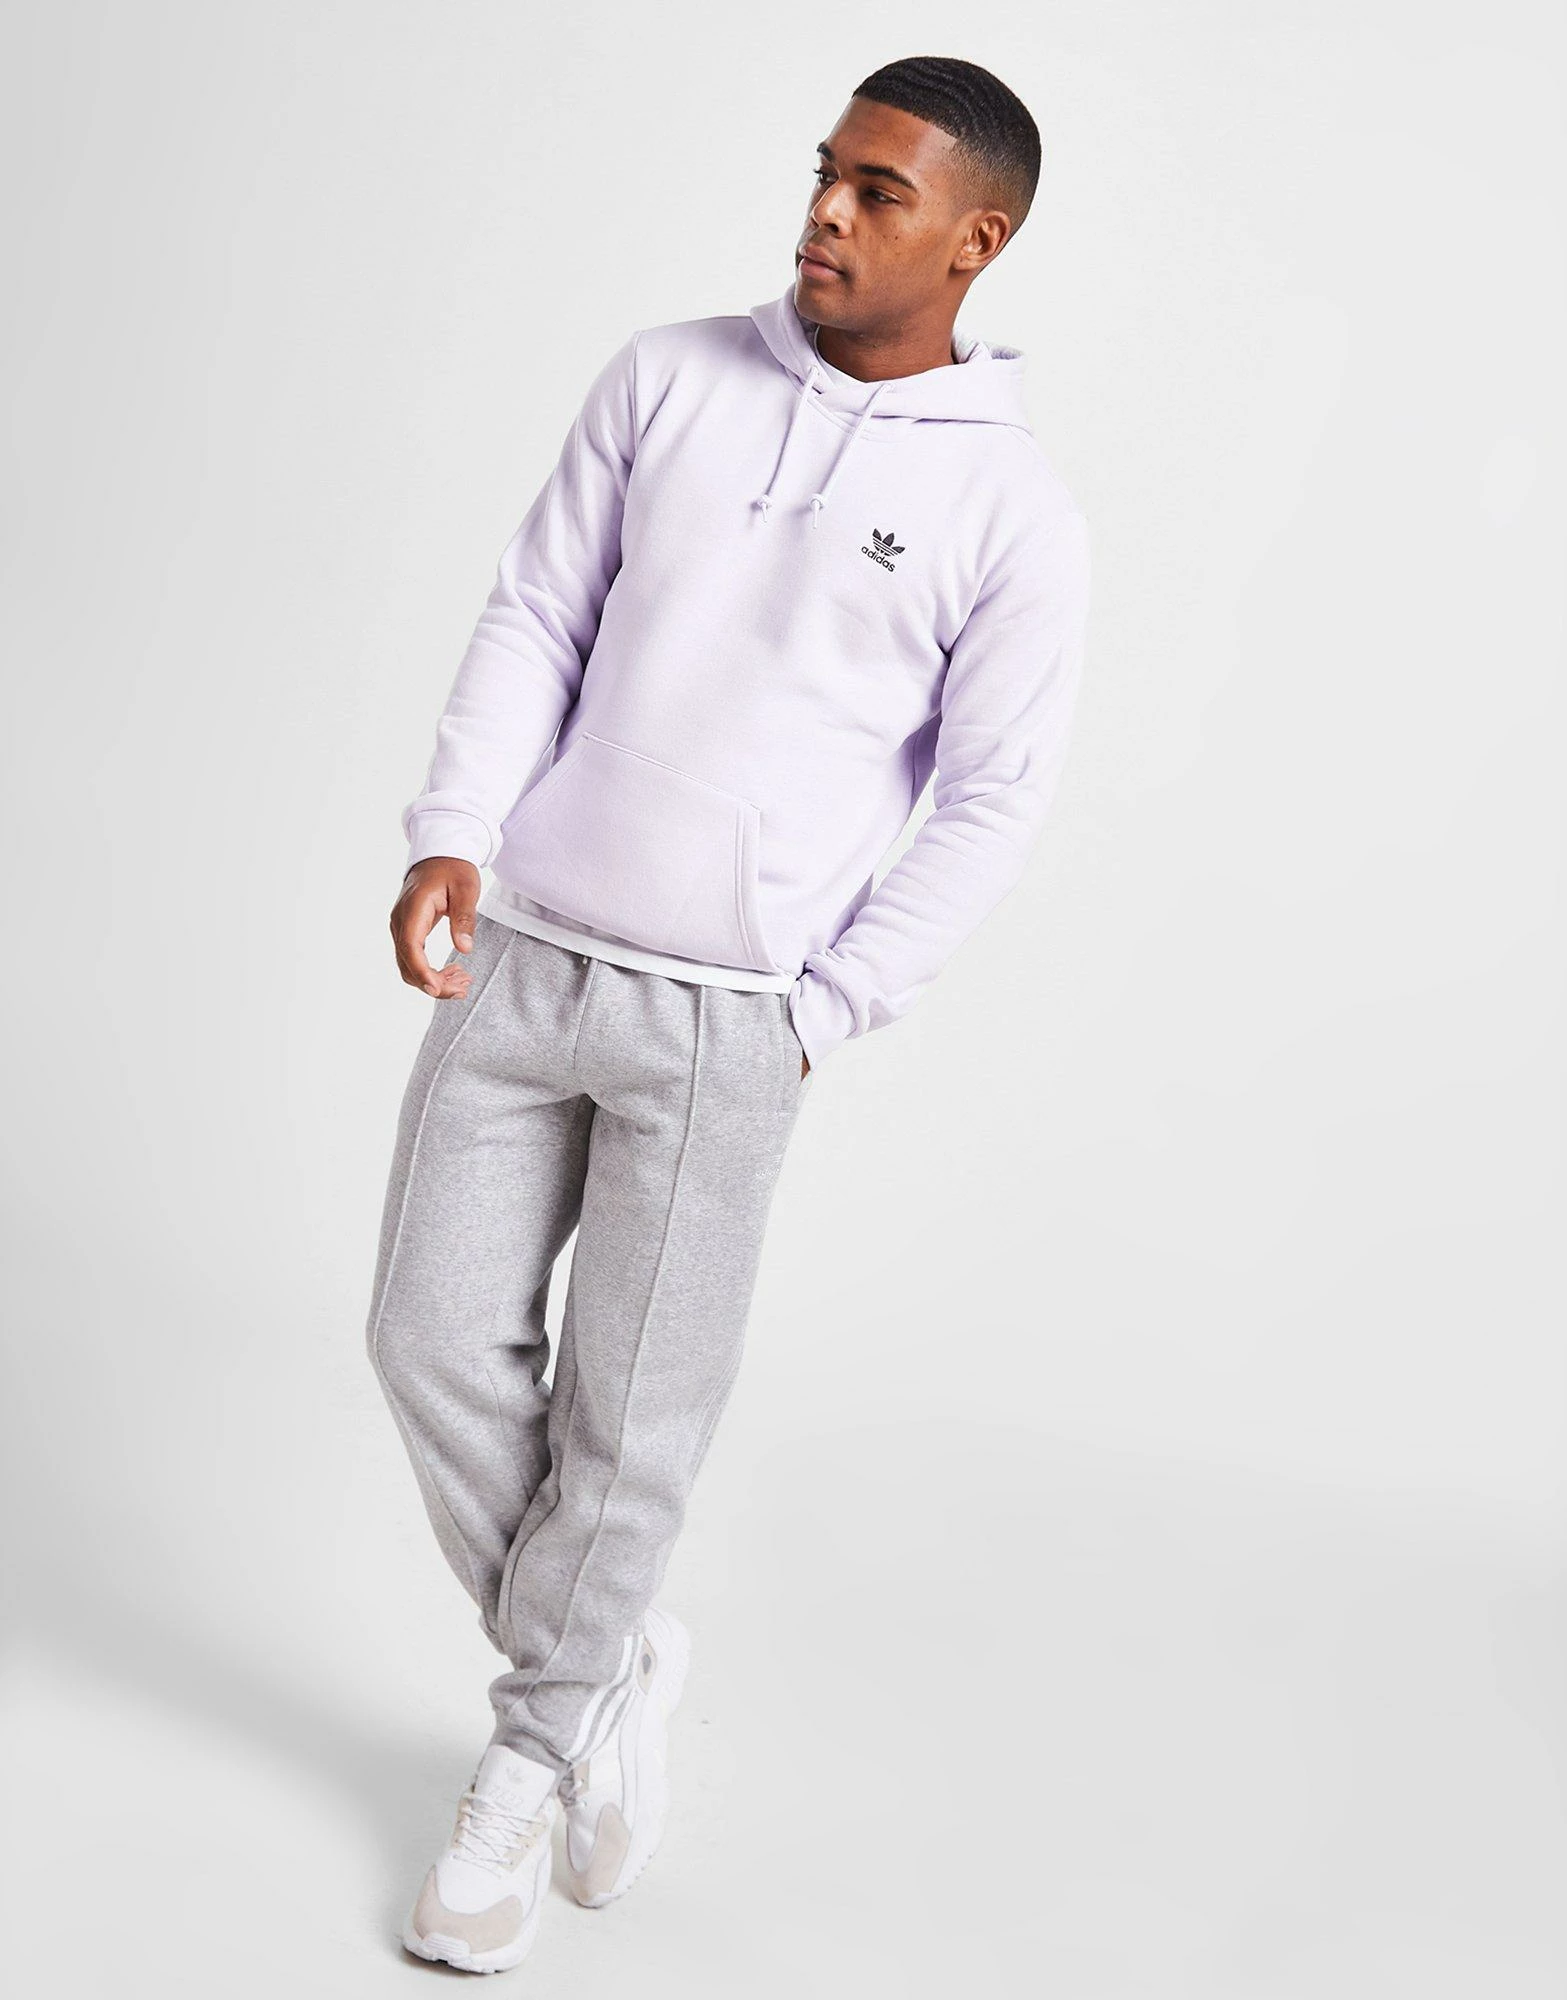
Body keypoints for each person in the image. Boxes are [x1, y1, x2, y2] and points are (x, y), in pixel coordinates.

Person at [365, 52, 1092, 1975]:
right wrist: (452, 832)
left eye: (876, 193)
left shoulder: (1011, 509)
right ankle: (606, 1661)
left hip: (731, 1023)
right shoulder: (665, 379)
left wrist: (827, 1006)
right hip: (527, 949)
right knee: (425, 1336)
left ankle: (528, 1761)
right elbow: (538, 612)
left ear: (976, 239)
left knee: (632, 1427)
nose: (823, 214)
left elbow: (991, 798)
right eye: (823, 173)